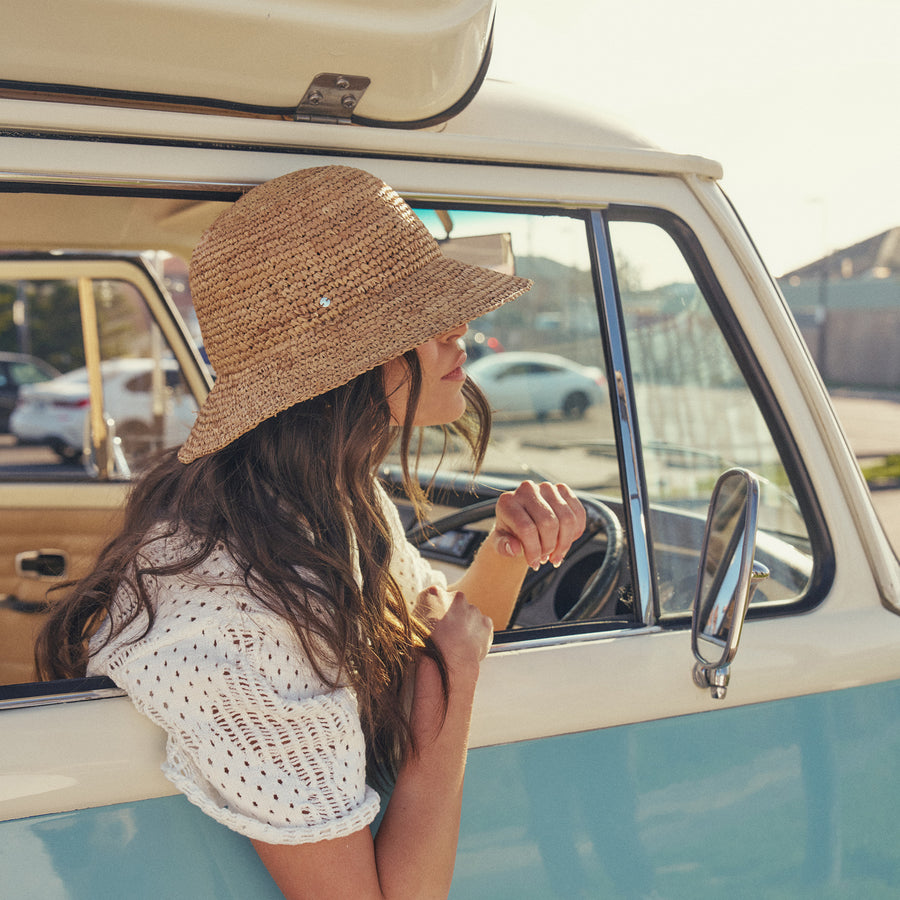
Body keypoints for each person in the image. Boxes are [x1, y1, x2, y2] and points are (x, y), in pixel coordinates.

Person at [36, 166, 586, 899]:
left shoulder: (317, 503)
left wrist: (507, 553)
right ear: (342, 364)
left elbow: (441, 625)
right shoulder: (238, 617)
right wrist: (448, 698)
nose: (460, 331)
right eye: (419, 315)